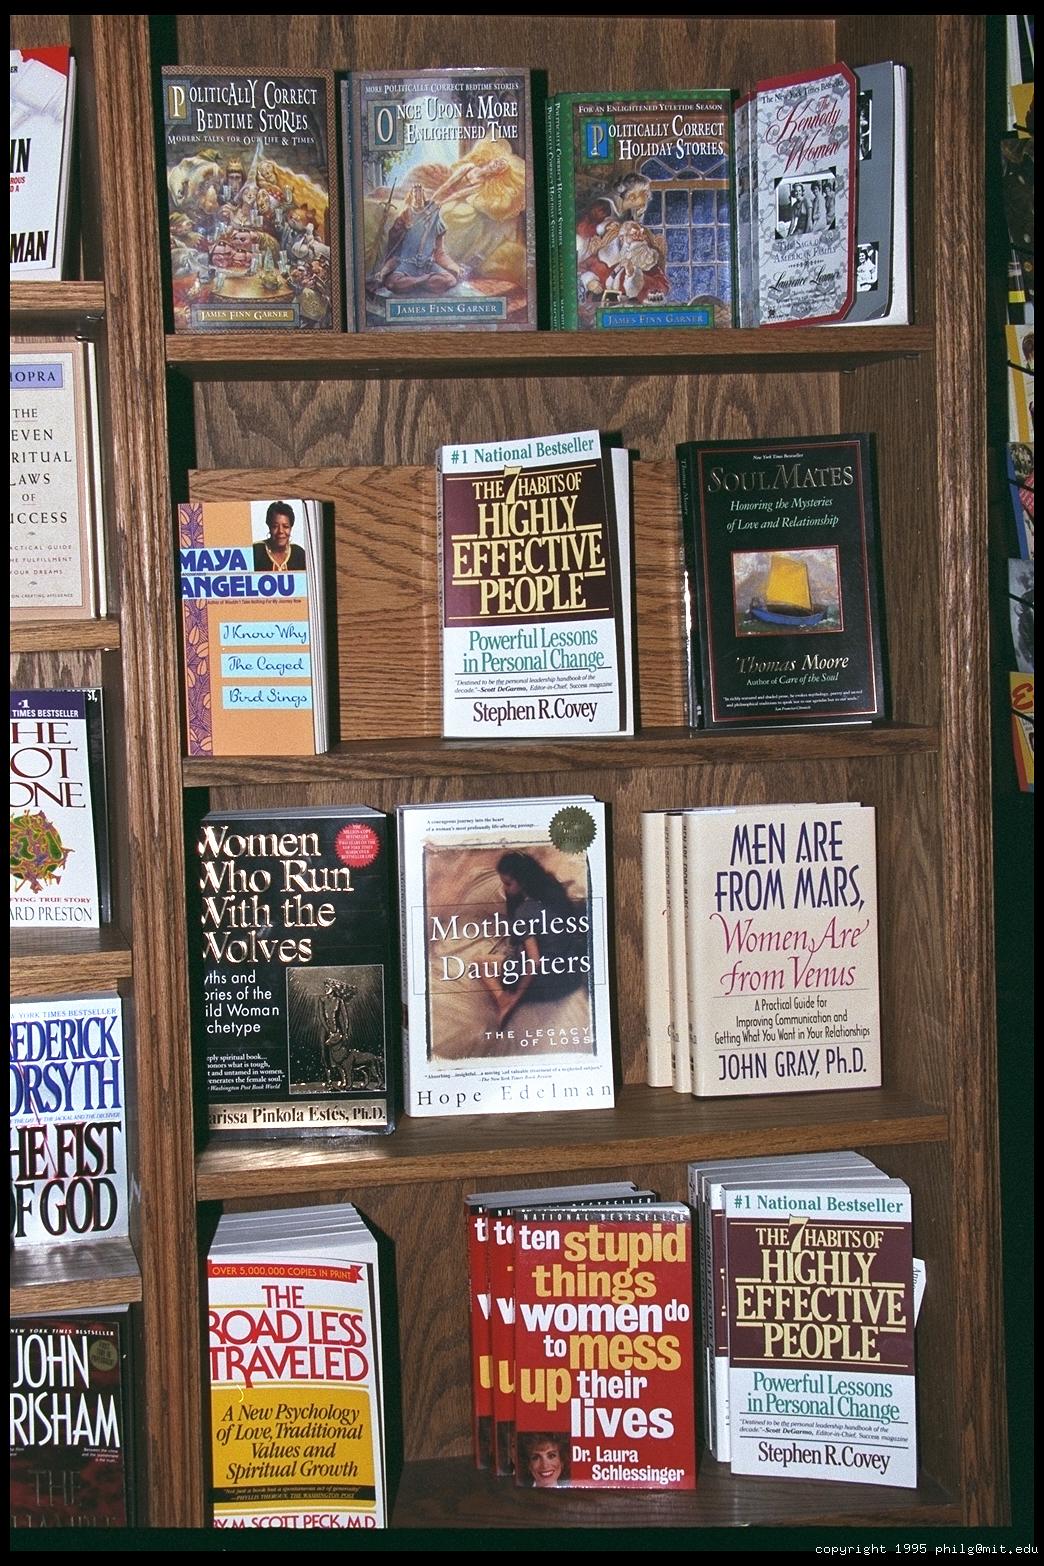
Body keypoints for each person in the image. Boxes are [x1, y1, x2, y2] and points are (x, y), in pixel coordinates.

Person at [481, 851, 590, 1025]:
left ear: (522, 881)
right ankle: (507, 1001)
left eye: (508, 883)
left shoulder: (523, 912)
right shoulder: (555, 893)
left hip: (546, 983)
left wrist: (516, 997)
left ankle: (504, 1003)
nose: (504, 889)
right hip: (570, 978)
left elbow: (534, 961)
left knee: (480, 963)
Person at [252, 501, 306, 570]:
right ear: (269, 526)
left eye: (285, 526)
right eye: (275, 526)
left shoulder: (299, 554)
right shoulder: (255, 551)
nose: (280, 531)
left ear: (291, 528)